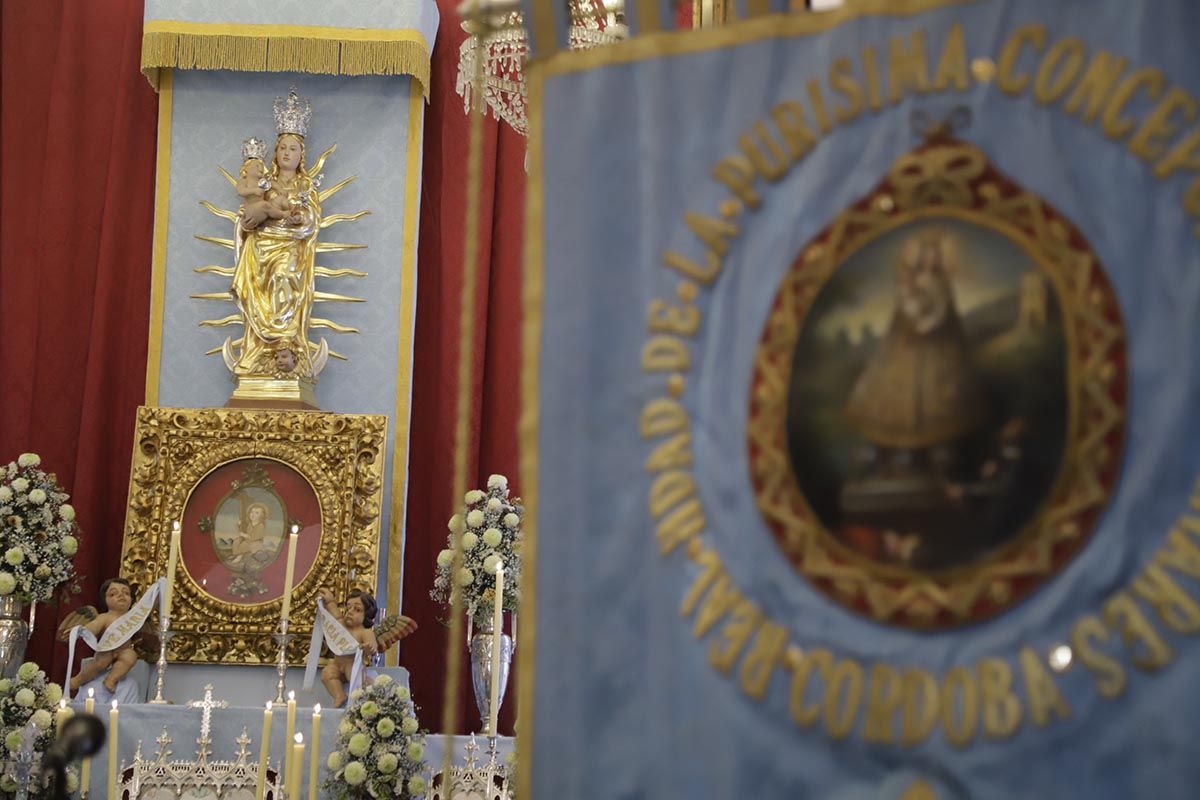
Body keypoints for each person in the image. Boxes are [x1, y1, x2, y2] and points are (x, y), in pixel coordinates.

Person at [844, 230, 987, 450]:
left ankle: (940, 444)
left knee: (939, 391)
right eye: (928, 255)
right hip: (907, 343)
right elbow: (906, 305)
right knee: (900, 389)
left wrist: (931, 323)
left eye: (937, 255)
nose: (932, 260)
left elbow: (944, 308)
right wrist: (917, 320)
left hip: (937, 344)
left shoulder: (943, 282)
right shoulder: (909, 280)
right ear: (920, 257)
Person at [229, 92, 320, 379]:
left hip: (289, 247)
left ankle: (285, 344)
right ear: (276, 152)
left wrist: (298, 218)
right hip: (260, 247)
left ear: (301, 155)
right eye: (282, 148)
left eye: (293, 149)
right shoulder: (264, 183)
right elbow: (247, 217)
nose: (287, 153)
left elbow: (312, 222)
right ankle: (260, 349)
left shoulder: (306, 185)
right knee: (259, 288)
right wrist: (256, 216)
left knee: (284, 278)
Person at [56, 579, 142, 694]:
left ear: (131, 599)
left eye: (126, 593)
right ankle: (78, 680)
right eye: (113, 594)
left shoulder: (133, 618)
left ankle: (111, 679)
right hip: (106, 649)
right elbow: (94, 626)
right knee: (101, 662)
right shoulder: (105, 617)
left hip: (124, 649)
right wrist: (82, 630)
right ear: (105, 600)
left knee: (130, 656)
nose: (121, 596)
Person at [318, 588, 379, 708]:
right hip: (337, 664)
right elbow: (334, 612)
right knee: (327, 674)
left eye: (357, 609)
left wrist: (369, 648)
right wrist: (330, 601)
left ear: (366, 614)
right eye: (348, 607)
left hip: (352, 665)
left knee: (354, 675)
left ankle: (362, 698)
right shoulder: (341, 625)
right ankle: (339, 695)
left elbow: (372, 646)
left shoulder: (365, 632)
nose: (350, 612)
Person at [227, 502, 270, 569]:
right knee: (237, 540)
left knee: (245, 545)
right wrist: (238, 526)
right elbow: (245, 533)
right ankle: (235, 554)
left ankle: (239, 556)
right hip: (248, 540)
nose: (253, 515)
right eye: (251, 512)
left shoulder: (260, 526)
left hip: (256, 543)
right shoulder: (250, 524)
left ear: (262, 516)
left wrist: (244, 535)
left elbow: (253, 537)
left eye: (257, 513)